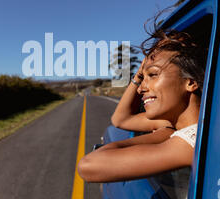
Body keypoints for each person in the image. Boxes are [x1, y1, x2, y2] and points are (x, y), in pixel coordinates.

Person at [77, 28, 206, 183]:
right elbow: (121, 119)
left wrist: (162, 134)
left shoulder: (190, 142)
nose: (140, 88)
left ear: (191, 82)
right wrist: (142, 72)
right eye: (141, 78)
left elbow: (88, 166)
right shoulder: (176, 124)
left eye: (152, 75)